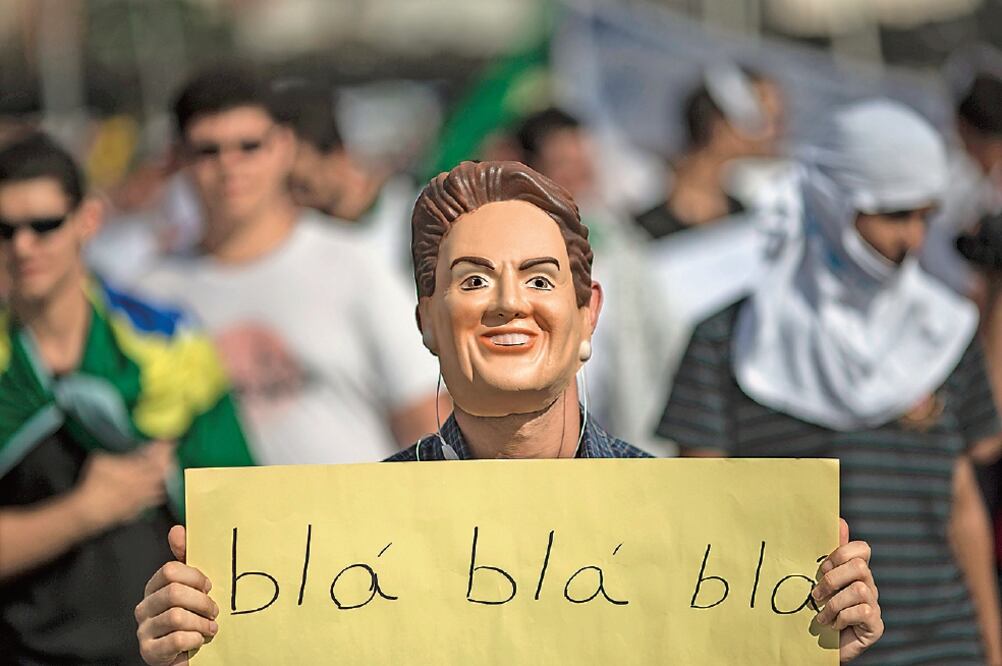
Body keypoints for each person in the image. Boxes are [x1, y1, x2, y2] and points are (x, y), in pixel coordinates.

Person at [135, 161, 883, 665]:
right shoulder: (334, 549)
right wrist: (193, 653)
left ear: (588, 313)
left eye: (539, 278)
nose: (507, 304)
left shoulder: (702, 534)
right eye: (472, 280)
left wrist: (815, 642)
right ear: (427, 321)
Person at [659, 100, 1002, 665]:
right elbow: (701, 516)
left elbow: (962, 504)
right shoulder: (729, 342)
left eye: (925, 216)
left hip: (945, 645)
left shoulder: (943, 330)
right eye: (894, 214)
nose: (913, 239)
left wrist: (991, 648)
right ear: (831, 202)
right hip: (800, 648)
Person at [0, 133, 254, 665]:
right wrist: (84, 510)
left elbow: (239, 505)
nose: (23, 246)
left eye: (44, 225)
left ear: (87, 220)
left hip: (166, 654)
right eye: (4, 230)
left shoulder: (168, 343)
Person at [127, 65, 442, 465]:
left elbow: (424, 420)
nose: (229, 166)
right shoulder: (149, 296)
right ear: (178, 159)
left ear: (284, 147)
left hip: (358, 505)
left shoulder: (355, 267)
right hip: (211, 508)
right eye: (208, 151)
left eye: (249, 146)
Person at [274, 79, 416, 276]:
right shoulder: (302, 242)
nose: (294, 201)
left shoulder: (416, 216)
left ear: (339, 155)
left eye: (302, 186)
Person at [633, 64, 784, 240]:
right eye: (763, 118)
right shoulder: (639, 205)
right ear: (719, 127)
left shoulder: (746, 214)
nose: (775, 132)